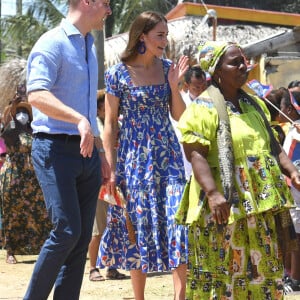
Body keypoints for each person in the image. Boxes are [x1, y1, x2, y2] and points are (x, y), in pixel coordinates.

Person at [176, 40, 300, 299]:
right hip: (224, 206)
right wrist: (212, 193)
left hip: (259, 204)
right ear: (217, 70)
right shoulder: (203, 108)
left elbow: (272, 145)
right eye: (236, 62)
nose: (245, 66)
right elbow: (195, 153)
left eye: (244, 60)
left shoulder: (254, 105)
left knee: (261, 268)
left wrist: (291, 171)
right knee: (227, 272)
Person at [97, 11, 189, 300]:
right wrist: (111, 169)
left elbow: (180, 116)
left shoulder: (168, 68)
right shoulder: (116, 74)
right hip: (133, 160)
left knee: (177, 220)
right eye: (160, 34)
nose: (165, 40)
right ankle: (139, 297)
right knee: (136, 225)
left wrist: (174, 86)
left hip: (168, 156)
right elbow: (110, 125)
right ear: (142, 36)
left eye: (166, 34)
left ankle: (180, 295)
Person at [24, 1, 111, 299]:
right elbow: (35, 94)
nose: (109, 11)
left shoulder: (89, 45)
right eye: (106, 3)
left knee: (81, 238)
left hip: (87, 153)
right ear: (86, 2)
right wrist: (78, 119)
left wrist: (100, 153)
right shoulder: (52, 42)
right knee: (66, 232)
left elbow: (87, 105)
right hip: (54, 150)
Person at [0, 85, 52, 265]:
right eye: (20, 110)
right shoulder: (11, 127)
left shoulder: (34, 128)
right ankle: (10, 251)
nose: (23, 113)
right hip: (13, 175)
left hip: (33, 178)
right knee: (12, 213)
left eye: (25, 110)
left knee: (38, 212)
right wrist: (13, 109)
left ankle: (41, 248)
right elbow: (4, 130)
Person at [88, 89, 125, 281]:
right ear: (100, 108)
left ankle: (112, 266)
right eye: (106, 105)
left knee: (115, 226)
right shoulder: (93, 126)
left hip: (117, 181)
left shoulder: (118, 125)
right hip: (99, 181)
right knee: (98, 228)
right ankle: (93, 267)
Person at [280, 90, 300, 293]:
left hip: (295, 192)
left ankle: (295, 279)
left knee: (297, 236)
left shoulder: (295, 133)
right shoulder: (293, 132)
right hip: (294, 189)